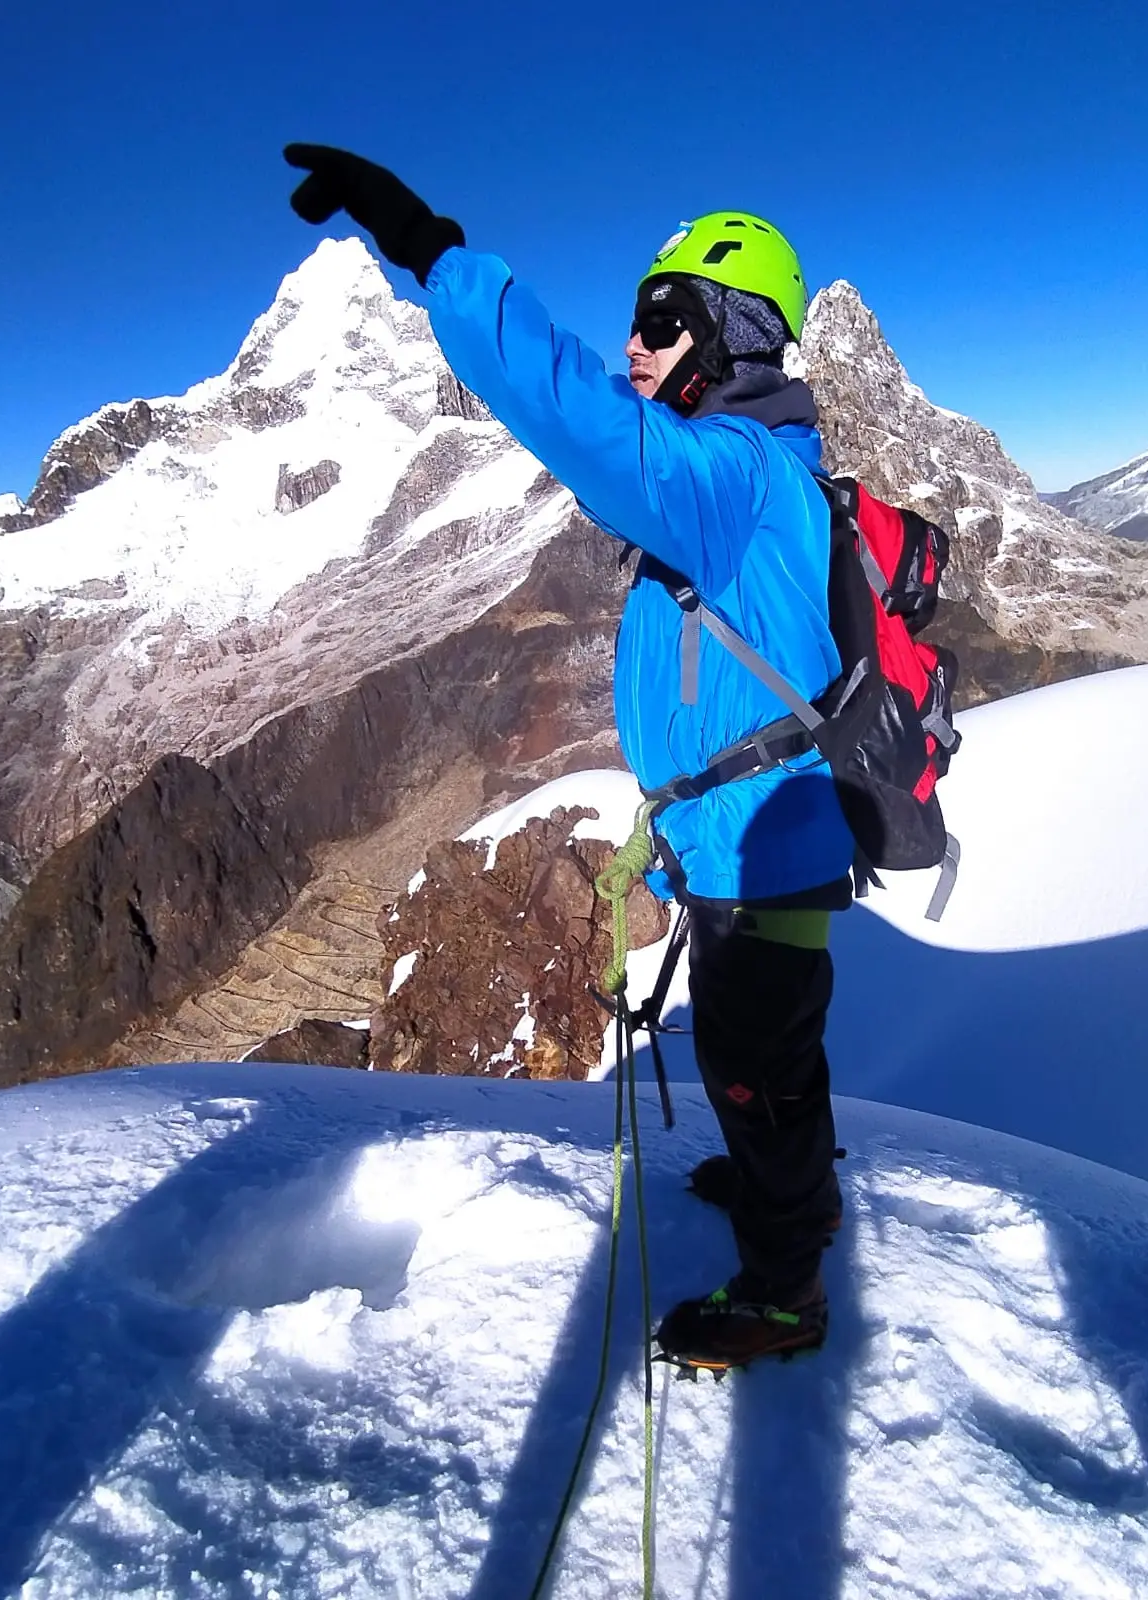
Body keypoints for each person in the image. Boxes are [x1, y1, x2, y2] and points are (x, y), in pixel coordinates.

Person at [285, 145, 852, 1370]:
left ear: (733, 334)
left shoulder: (730, 474)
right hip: (745, 826)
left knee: (756, 1057)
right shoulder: (753, 474)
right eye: (636, 320)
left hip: (765, 837)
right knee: (761, 1047)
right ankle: (783, 1180)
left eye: (663, 319)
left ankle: (785, 1281)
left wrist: (430, 246)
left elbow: (573, 415)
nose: (635, 343)